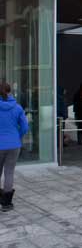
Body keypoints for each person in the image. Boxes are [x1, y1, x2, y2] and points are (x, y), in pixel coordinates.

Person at [0, 82, 29, 212]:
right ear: (10, 91)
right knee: (9, 173)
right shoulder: (17, 107)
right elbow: (25, 127)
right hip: (14, 144)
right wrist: (17, 136)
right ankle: (6, 204)